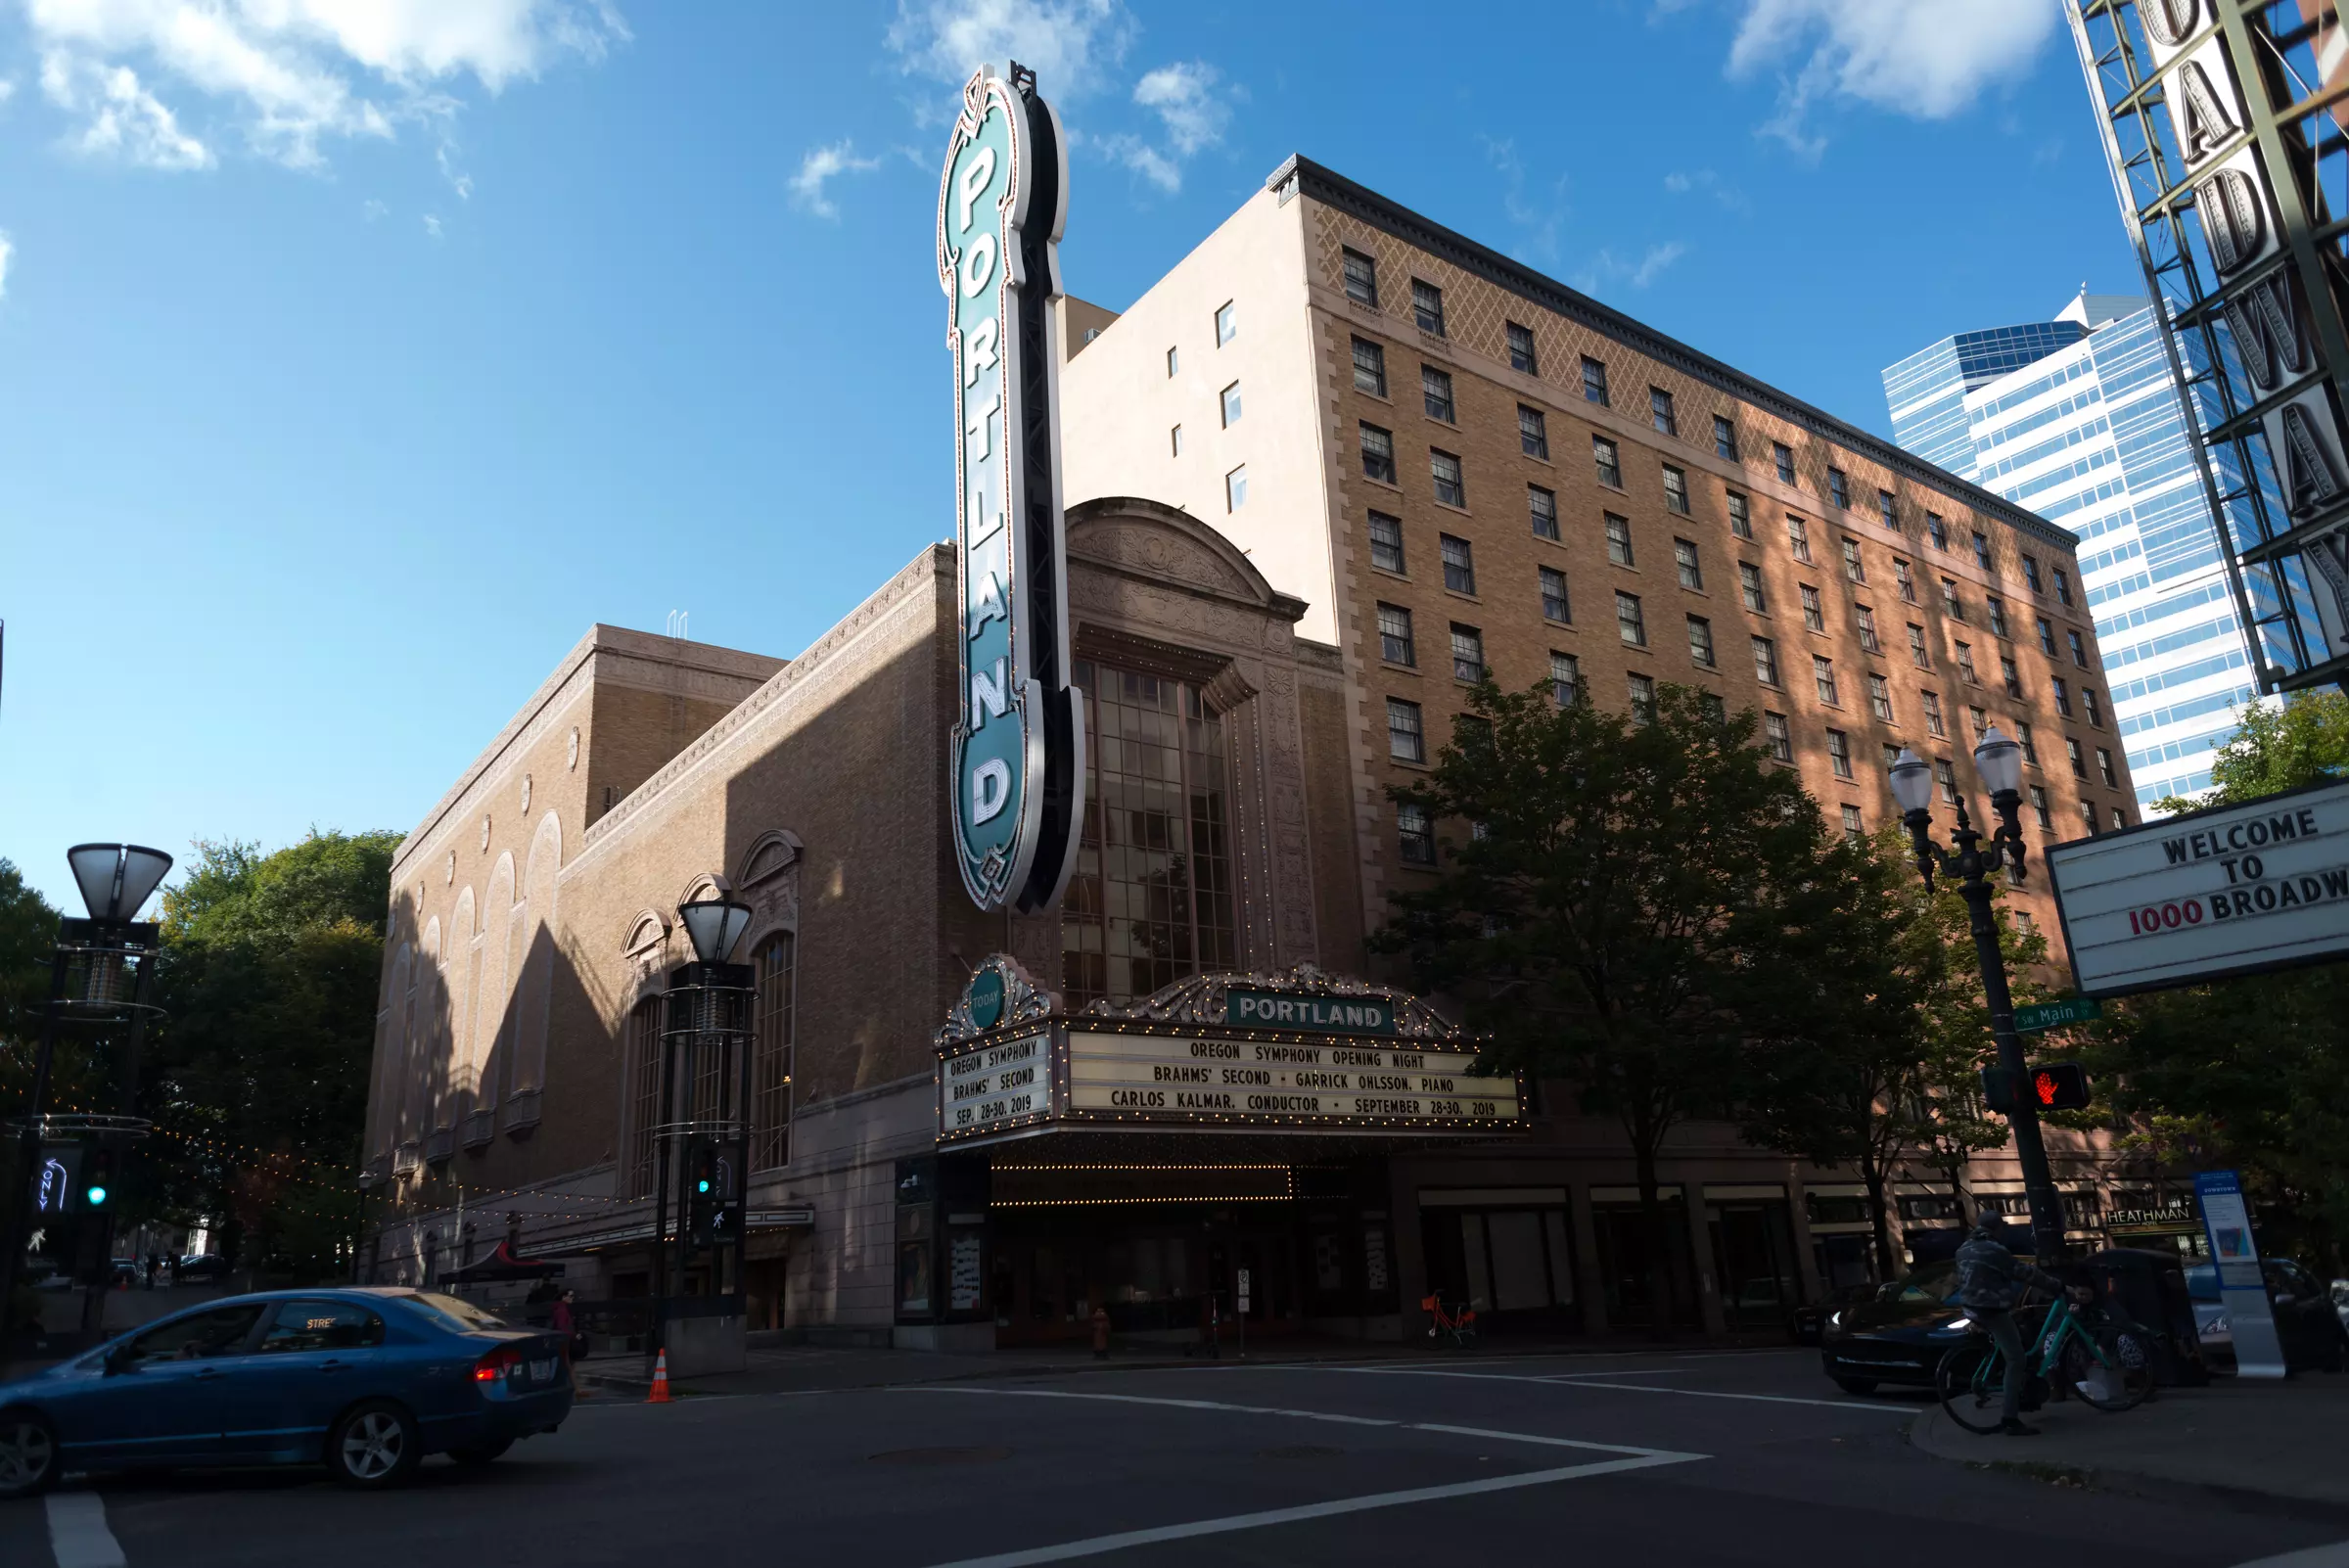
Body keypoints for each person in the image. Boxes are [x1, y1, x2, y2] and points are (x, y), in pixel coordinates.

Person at [1955, 1222, 2087, 1437]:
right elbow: (2026, 1273)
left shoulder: (1963, 1248)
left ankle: (2020, 1391)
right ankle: (2010, 1419)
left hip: (1972, 1308)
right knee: (2016, 1359)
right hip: (1992, 1308)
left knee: (2017, 1341)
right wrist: (2061, 1286)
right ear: (1996, 1229)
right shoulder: (1995, 1250)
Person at [552, 1288, 584, 1362]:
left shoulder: (561, 1308)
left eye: (573, 1296)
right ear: (564, 1297)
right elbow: (561, 1327)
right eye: (571, 1296)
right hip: (564, 1341)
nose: (572, 1298)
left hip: (563, 1340)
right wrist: (574, 1335)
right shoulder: (562, 1310)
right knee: (568, 1365)